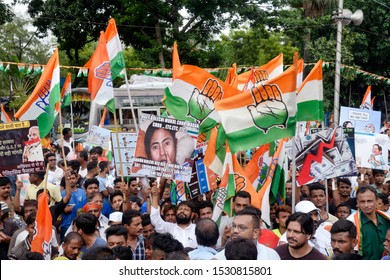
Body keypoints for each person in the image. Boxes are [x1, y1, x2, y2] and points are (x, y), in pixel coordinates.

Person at [214, 206, 280, 260]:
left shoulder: (271, 256)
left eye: (242, 227)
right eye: (234, 226)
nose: (235, 231)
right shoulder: (219, 259)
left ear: (255, 233)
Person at [347, 185, 390, 259]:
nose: (366, 205)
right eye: (362, 202)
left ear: (377, 201)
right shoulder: (351, 223)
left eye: (369, 201)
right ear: (357, 203)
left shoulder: (386, 219)